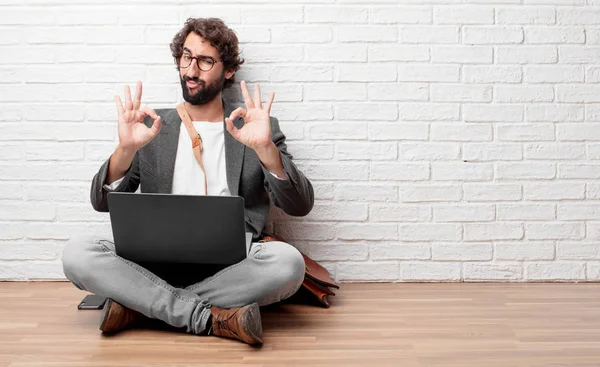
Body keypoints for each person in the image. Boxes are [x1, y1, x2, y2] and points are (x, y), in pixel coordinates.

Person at [61, 17, 314, 345]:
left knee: (288, 264)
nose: (191, 70)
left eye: (206, 60)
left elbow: (300, 204)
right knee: (76, 253)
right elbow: (100, 202)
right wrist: (124, 151)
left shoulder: (254, 127)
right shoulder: (152, 126)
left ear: (228, 70)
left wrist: (266, 150)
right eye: (186, 57)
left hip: (232, 267)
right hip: (152, 265)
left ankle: (140, 307)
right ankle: (210, 317)